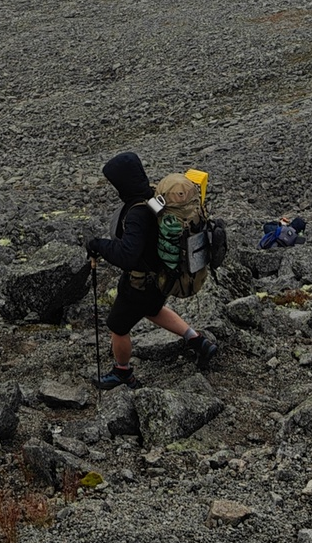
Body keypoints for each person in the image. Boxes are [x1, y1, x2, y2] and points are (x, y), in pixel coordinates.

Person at [87, 150, 217, 391]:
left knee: (118, 326)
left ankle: (122, 373)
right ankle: (197, 341)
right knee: (153, 309)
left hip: (141, 283)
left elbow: (128, 256)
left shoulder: (136, 213)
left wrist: (99, 245)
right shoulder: (155, 199)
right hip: (163, 276)